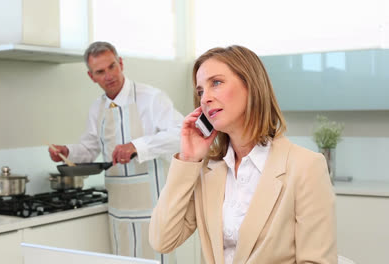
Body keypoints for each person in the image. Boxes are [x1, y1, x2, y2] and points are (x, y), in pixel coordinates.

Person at [149, 45, 337, 264]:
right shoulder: (207, 171)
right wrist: (188, 159)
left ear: (251, 85)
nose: (204, 98)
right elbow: (162, 240)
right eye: (200, 91)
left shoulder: (305, 166)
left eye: (216, 83)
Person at [49, 41, 182, 263]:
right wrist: (67, 152)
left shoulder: (152, 98)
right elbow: (90, 149)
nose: (109, 75)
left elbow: (181, 135)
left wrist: (137, 146)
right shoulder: (97, 108)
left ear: (120, 63)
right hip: (119, 210)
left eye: (112, 66)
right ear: (92, 77)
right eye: (100, 71)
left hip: (153, 209)